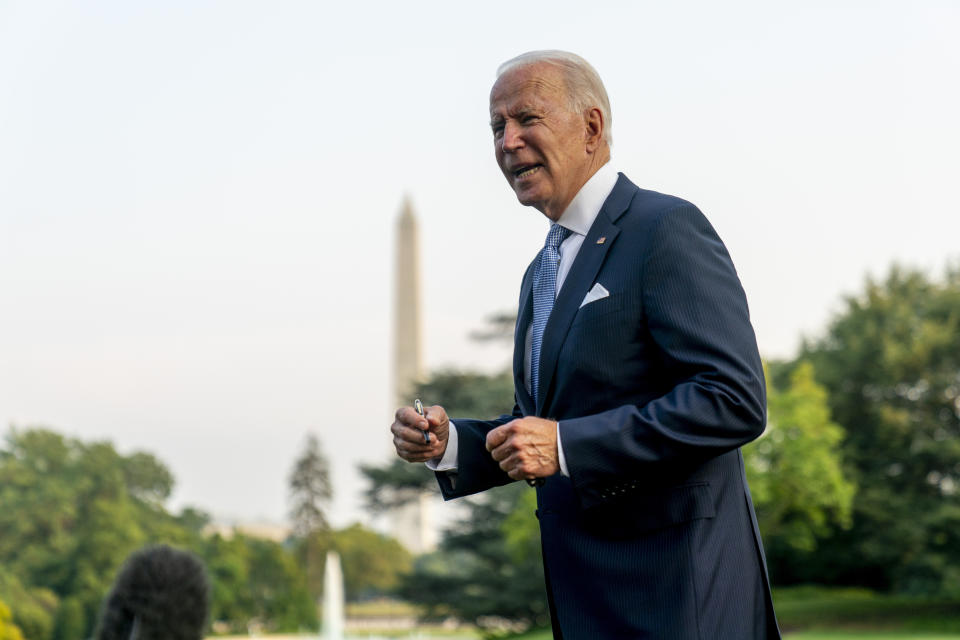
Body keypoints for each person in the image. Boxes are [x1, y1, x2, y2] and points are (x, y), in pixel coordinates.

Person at [391, 50, 780, 639]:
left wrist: (567, 446)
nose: (508, 142)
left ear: (591, 127)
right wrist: (453, 444)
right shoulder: (539, 271)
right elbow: (541, 424)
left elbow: (733, 399)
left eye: (527, 119)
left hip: (676, 598)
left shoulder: (665, 228)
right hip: (584, 601)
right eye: (497, 128)